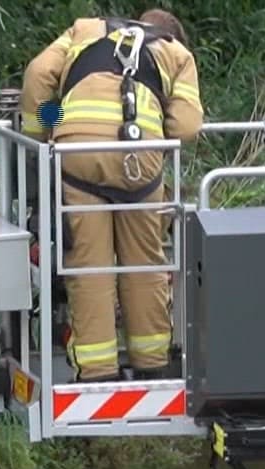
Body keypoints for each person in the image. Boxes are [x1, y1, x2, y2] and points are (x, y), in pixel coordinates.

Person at [21, 10, 203, 382]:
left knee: (89, 267)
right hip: (140, 168)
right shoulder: (176, 54)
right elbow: (186, 127)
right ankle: (152, 365)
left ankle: (98, 372)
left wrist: (44, 129)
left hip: (77, 158)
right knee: (145, 265)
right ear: (173, 36)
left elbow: (39, 75)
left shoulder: (85, 29)